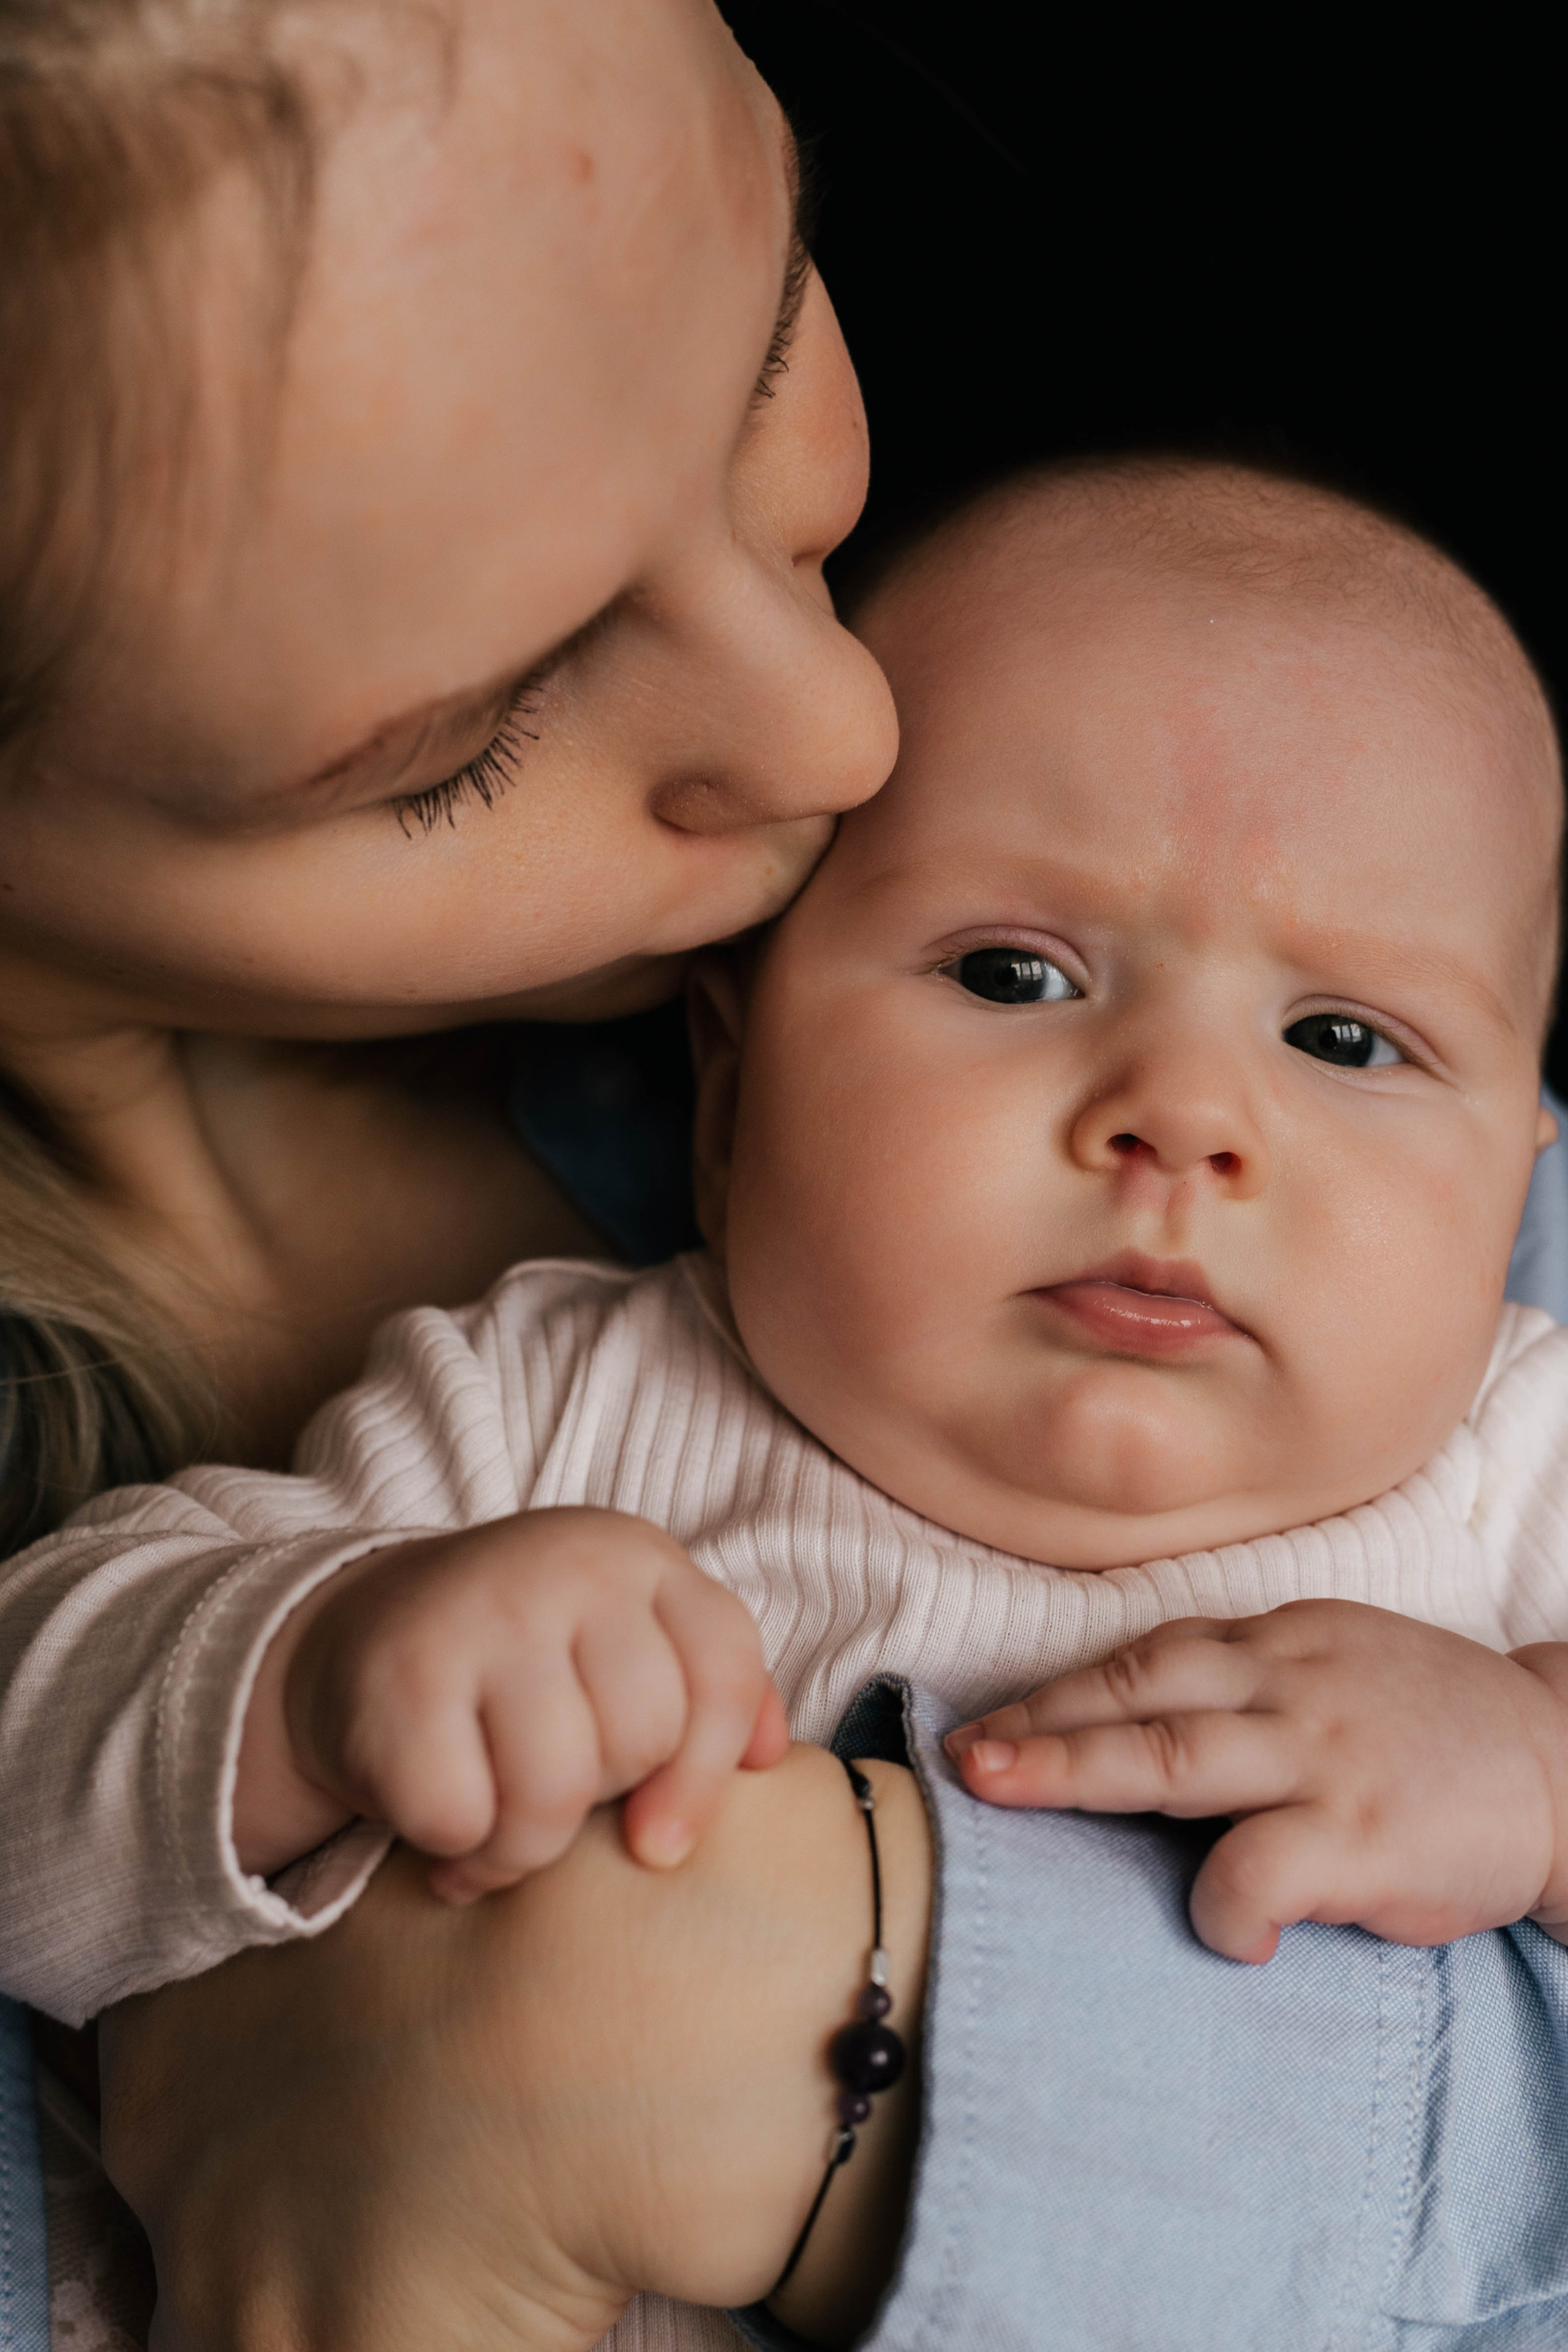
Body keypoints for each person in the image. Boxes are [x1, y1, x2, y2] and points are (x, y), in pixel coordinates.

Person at [1, 0, 1564, 2342]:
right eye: (462, 735)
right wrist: (310, 1671)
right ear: (728, 1098)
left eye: (761, 360)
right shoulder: (554, 1412)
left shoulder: (1505, 1425)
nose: (847, 730)